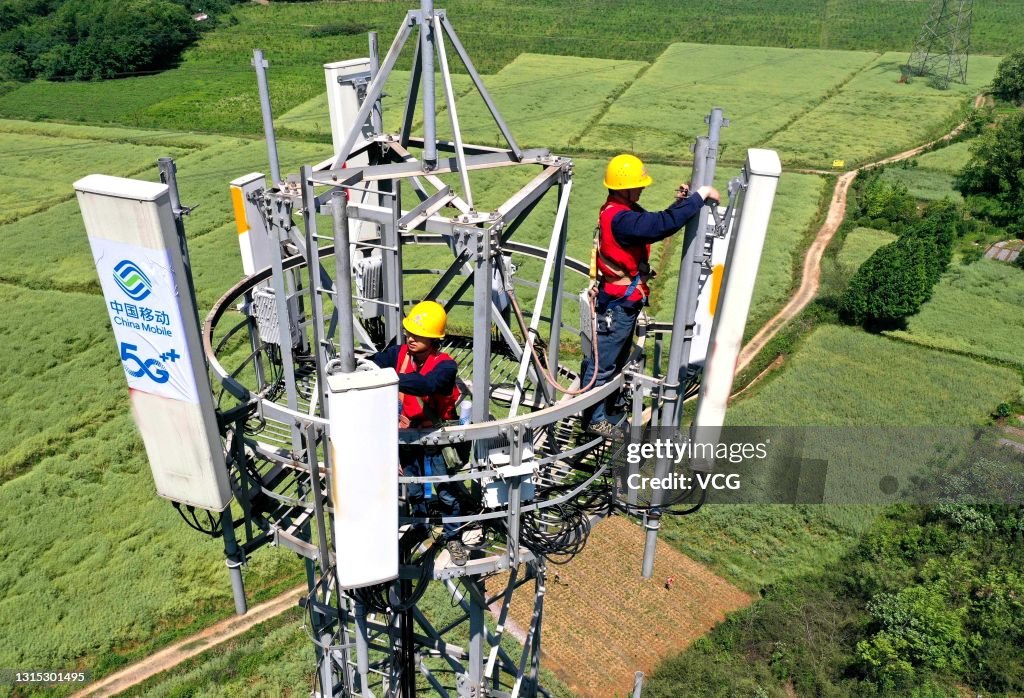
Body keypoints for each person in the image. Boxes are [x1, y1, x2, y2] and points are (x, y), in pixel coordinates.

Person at [581, 153, 720, 439]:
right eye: (638, 184)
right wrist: (699, 197)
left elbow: (653, 221)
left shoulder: (617, 211)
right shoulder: (622, 220)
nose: (642, 188)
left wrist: (682, 203)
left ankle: (607, 411)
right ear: (624, 187)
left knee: (612, 362)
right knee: (604, 365)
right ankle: (595, 419)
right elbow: (659, 226)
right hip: (619, 305)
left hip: (619, 301)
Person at [371, 300, 468, 566]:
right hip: (409, 435)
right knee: (413, 486)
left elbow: (428, 383)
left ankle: (454, 538)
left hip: (437, 436)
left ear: (434, 339)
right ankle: (420, 525)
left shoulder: (445, 366)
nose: (410, 337)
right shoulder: (399, 355)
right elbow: (371, 365)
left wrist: (388, 377)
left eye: (418, 334)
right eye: (409, 332)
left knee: (447, 492)